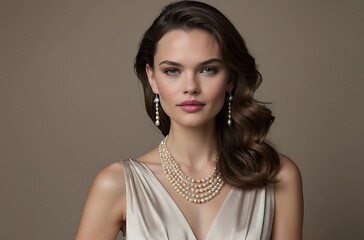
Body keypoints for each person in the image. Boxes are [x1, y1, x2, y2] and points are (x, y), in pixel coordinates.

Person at [75, 1, 303, 239]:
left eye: (208, 70)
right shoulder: (117, 184)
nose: (191, 87)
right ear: (152, 78)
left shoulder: (276, 175)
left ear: (231, 79)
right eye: (172, 70)